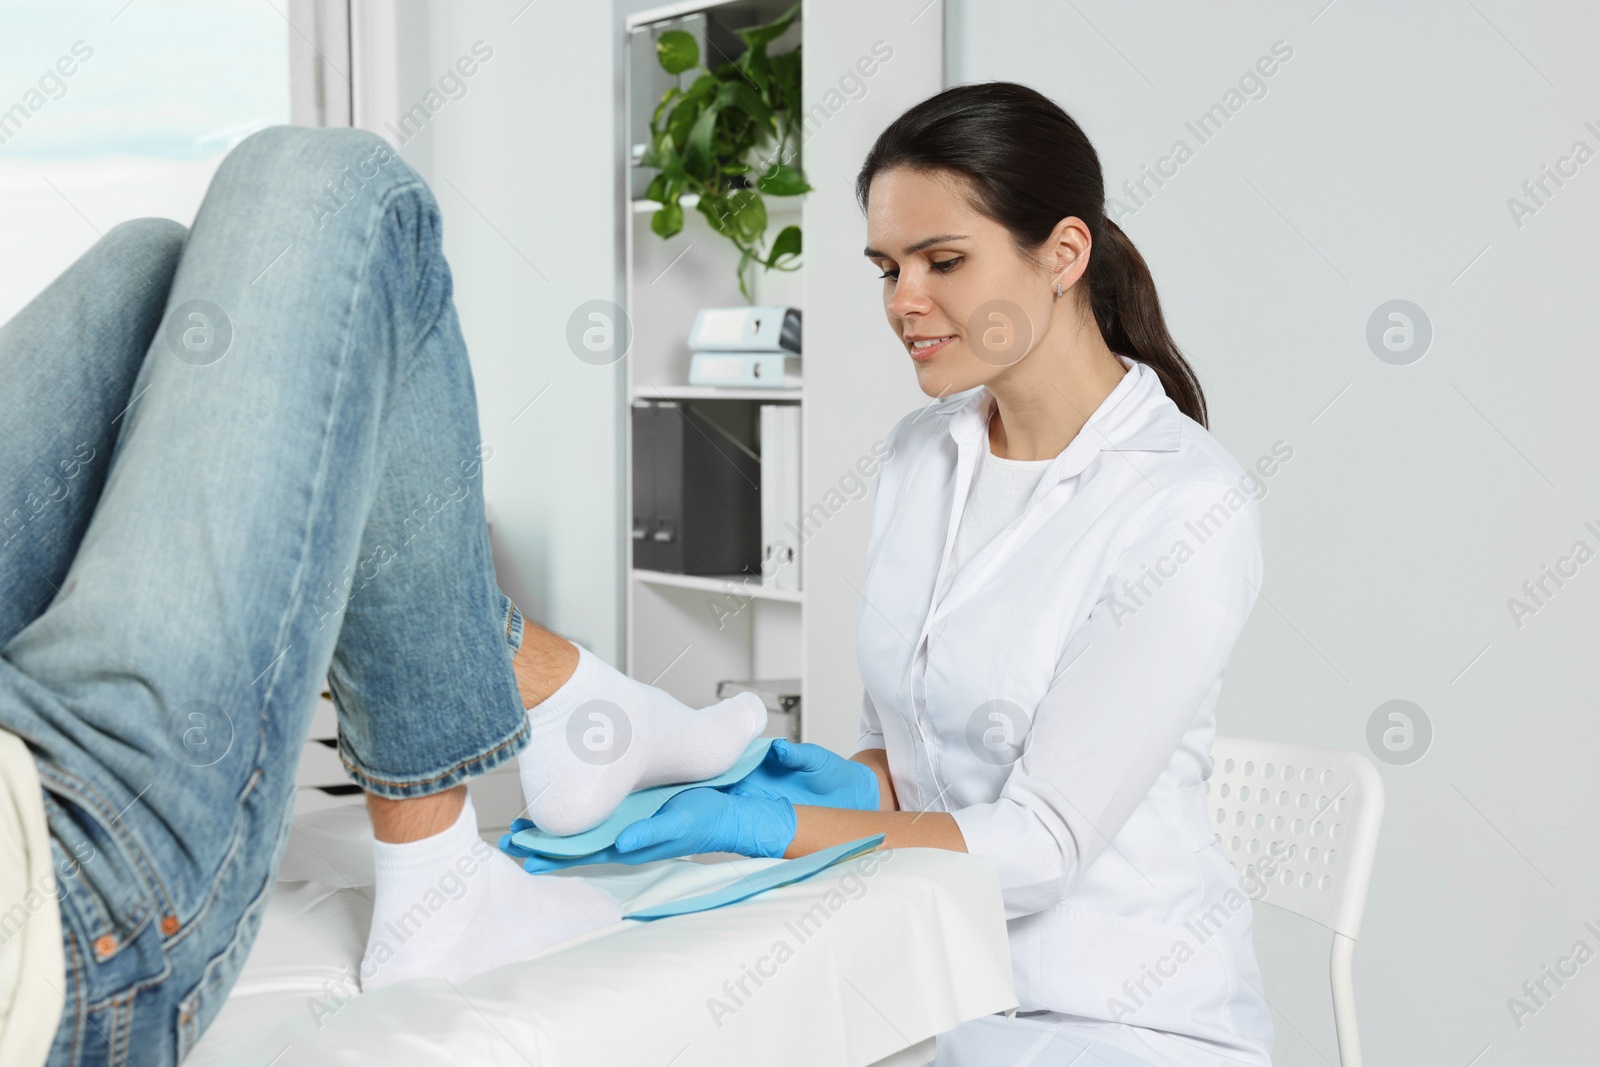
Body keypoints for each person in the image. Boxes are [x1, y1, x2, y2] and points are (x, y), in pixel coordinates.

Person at [521, 82, 1278, 1066]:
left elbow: (1042, 844)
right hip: (931, 981)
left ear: (1063, 253)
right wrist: (798, 781)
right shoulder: (922, 452)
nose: (902, 302)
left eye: (942, 262)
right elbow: (905, 755)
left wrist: (776, 827)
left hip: (1114, 1016)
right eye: (886, 267)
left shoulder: (1183, 505)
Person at [0, 125, 769, 1067]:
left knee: (147, 276)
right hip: (48, 886)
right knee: (332, 191)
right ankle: (449, 863)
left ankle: (572, 699)